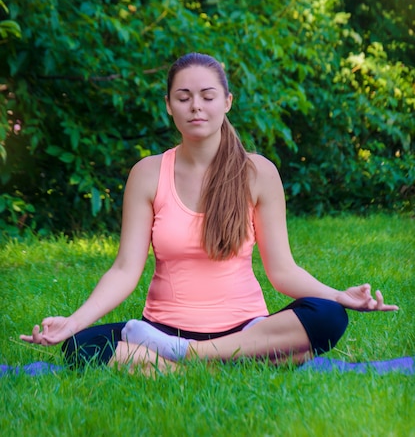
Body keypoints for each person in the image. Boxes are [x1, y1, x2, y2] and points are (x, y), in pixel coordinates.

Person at [21, 52, 398, 373]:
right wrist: (73, 323)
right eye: (183, 97)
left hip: (246, 330)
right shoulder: (148, 174)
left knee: (329, 316)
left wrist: (337, 296)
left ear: (227, 102)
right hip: (163, 329)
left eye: (207, 96)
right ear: (169, 105)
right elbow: (125, 270)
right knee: (80, 349)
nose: (196, 106)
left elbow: (282, 271)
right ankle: (232, 365)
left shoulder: (258, 173)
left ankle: (188, 362)